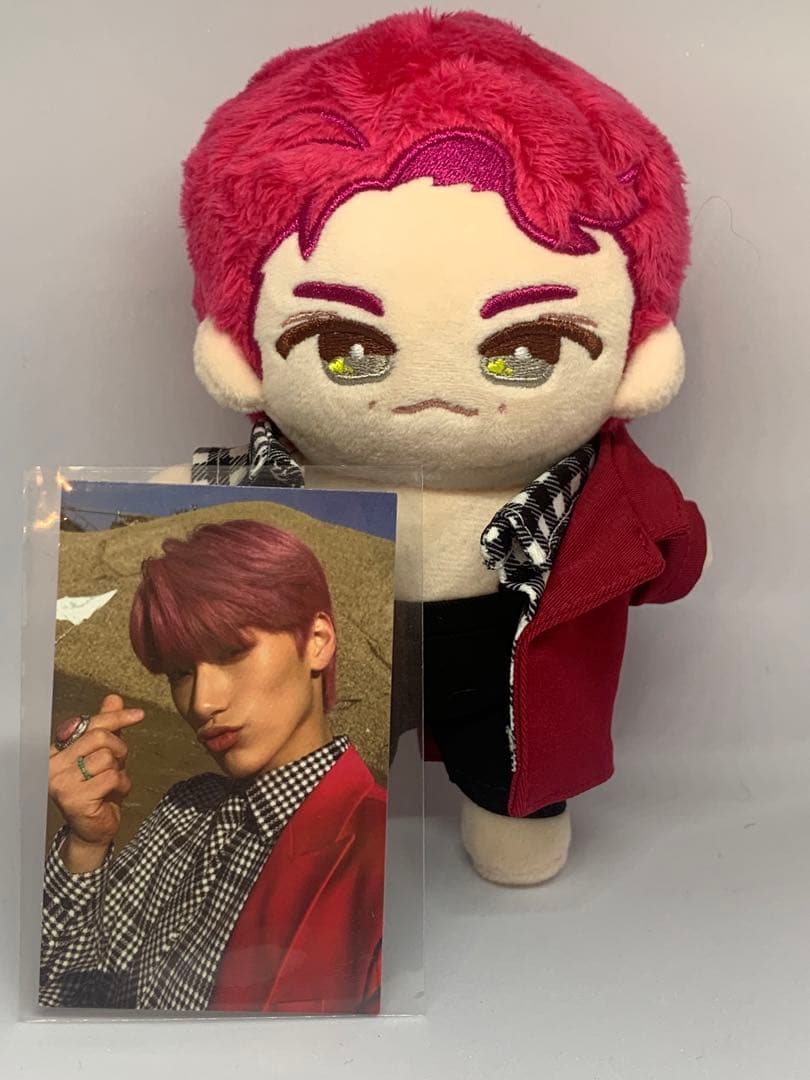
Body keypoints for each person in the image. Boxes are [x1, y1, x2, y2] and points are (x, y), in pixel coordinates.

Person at [40, 519, 387, 1013]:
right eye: (181, 672)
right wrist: (86, 844)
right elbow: (69, 993)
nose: (202, 702)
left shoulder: (387, 858)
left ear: (317, 640)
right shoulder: (184, 809)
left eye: (231, 652)